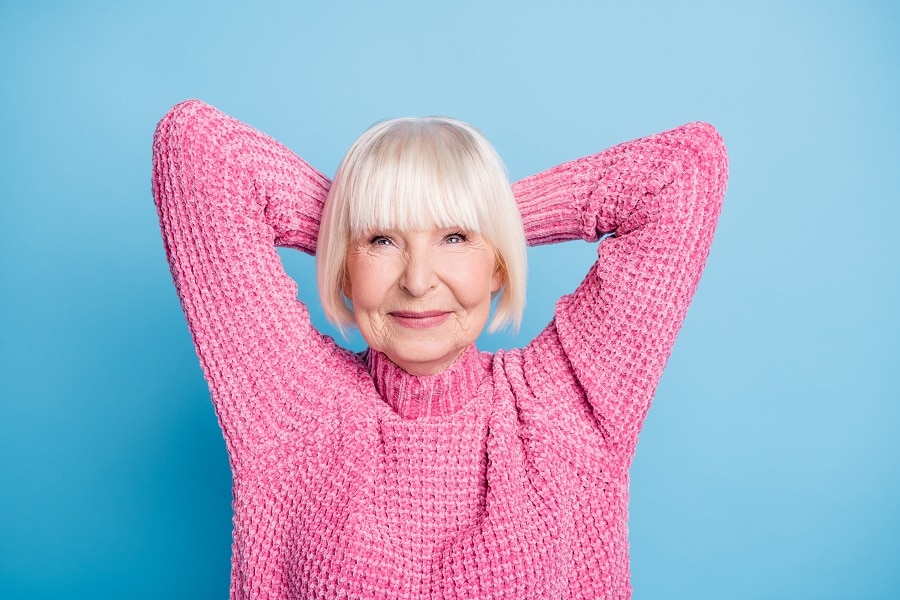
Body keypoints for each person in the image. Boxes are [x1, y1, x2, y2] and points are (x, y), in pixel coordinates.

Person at [152, 100, 727, 600]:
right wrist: (355, 221)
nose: (419, 279)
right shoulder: (292, 408)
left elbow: (683, 170)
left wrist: (490, 215)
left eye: (454, 238)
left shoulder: (565, 408)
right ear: (345, 267)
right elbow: (196, 148)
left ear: (498, 261)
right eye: (381, 240)